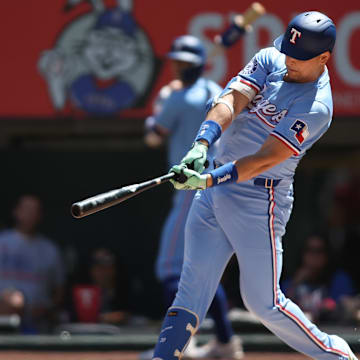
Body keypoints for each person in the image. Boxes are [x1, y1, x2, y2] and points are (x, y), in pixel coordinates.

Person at [151, 11, 359, 360]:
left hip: (259, 198)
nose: (289, 61)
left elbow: (264, 159)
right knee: (190, 292)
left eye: (300, 58)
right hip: (215, 185)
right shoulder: (270, 58)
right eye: (288, 52)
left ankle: (339, 356)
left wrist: (208, 178)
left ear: (324, 58)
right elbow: (231, 100)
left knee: (264, 303)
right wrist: (201, 144)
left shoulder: (317, 107)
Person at [143, 35, 243, 359]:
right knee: (203, 270)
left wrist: (159, 103)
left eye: (184, 62)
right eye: (177, 61)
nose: (178, 66)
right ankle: (226, 343)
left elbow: (152, 138)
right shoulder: (216, 91)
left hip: (191, 188)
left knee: (171, 269)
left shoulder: (179, 97)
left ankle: (178, 347)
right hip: (218, 184)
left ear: (196, 64)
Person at [0, 195, 65, 333]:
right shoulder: (2, 242)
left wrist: (48, 309)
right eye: (26, 209)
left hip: (38, 323)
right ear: (16, 211)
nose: (30, 214)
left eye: (34, 211)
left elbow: (59, 290)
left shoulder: (49, 249)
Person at [282, 234, 356, 323]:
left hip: (332, 330)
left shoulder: (339, 279)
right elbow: (280, 309)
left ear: (327, 255)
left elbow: (345, 307)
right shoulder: (291, 281)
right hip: (299, 330)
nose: (314, 256)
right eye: (310, 250)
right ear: (302, 254)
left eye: (319, 251)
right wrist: (295, 283)